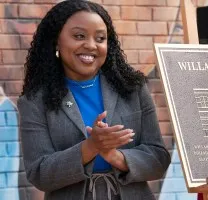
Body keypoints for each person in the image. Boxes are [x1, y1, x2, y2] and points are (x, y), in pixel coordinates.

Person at [17, 1, 171, 200]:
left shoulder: (132, 88)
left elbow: (158, 160)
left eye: (100, 38)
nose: (91, 45)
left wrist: (116, 156)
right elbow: (39, 173)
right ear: (56, 40)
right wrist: (90, 147)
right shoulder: (35, 101)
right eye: (79, 36)